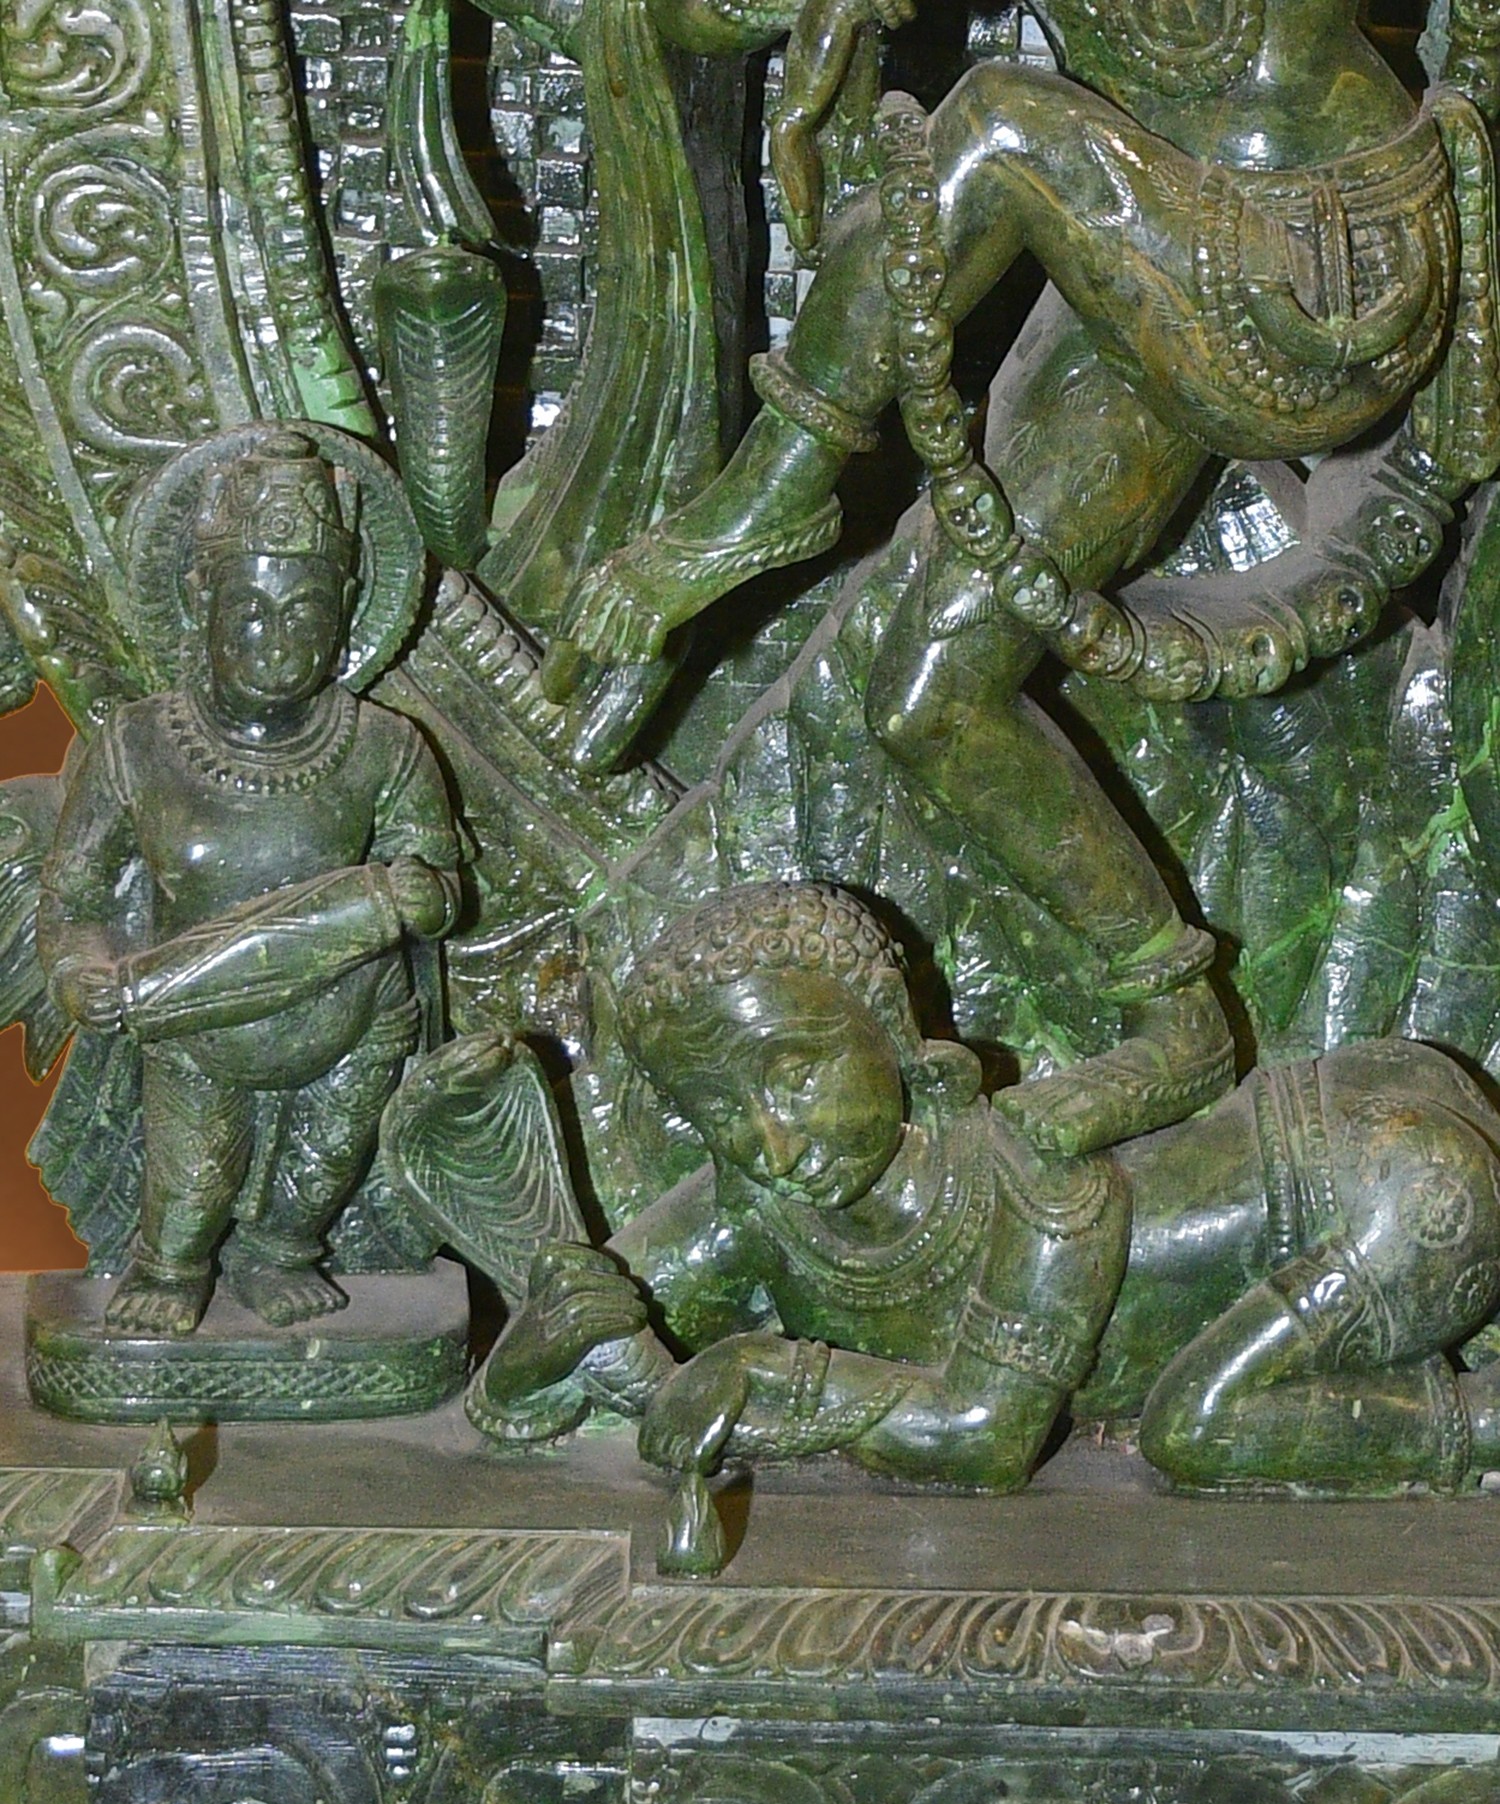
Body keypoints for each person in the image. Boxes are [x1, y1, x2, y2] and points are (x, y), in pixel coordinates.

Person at [547, 0, 1474, 1158]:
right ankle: (1175, 1013)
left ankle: (766, 499)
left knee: (997, 124)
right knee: (929, 692)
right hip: (1152, 235)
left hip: (1308, 277)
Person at [469, 882, 1500, 1567]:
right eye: (720, 1114)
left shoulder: (1035, 1178)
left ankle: (1478, 1421)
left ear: (891, 1031)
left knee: (1191, 1427)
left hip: (1390, 1190)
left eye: (797, 1077)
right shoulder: (761, 1196)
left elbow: (987, 1438)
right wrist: (530, 1355)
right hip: (1371, 1125)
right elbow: (577, 1336)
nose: (770, 1143)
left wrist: (764, 1368)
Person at [37, 431, 461, 1335]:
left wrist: (424, 896)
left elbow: (438, 878)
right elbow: (74, 898)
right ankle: (170, 1265)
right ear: (202, 602)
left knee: (321, 1172)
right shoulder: (139, 745)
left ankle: (279, 1252)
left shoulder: (383, 746)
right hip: (194, 1017)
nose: (279, 645)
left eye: (306, 615)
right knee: (191, 1190)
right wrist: (82, 971)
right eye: (252, 613)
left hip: (353, 1022)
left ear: (347, 610)